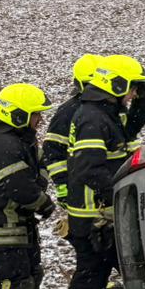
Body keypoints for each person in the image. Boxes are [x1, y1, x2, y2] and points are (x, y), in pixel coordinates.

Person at [56, 55, 144, 289]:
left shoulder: (98, 112)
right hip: (99, 219)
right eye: (130, 88)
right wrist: (120, 193)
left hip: (92, 219)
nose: (132, 94)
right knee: (135, 273)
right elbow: (89, 168)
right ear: (116, 84)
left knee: (90, 278)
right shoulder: (95, 118)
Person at [0, 83, 55, 289]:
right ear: (17, 115)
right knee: (12, 282)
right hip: (0, 227)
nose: (39, 120)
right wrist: (43, 203)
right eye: (35, 114)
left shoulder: (21, 140)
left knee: (29, 278)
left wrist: (37, 188)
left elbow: (39, 172)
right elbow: (20, 187)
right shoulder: (3, 145)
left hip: (19, 223)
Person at [42, 53, 102, 207]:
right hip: (82, 192)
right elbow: (53, 150)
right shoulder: (68, 111)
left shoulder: (117, 110)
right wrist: (63, 188)